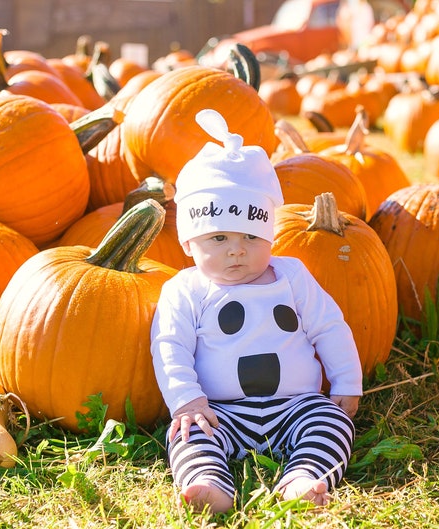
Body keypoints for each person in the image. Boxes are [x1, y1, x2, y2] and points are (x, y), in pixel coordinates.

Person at [150, 108, 363, 514]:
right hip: (220, 412)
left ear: (269, 233)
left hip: (296, 404)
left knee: (331, 423)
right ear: (188, 244)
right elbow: (169, 347)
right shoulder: (185, 289)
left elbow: (329, 327)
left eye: (251, 235)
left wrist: (346, 383)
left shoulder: (291, 274)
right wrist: (187, 402)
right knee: (187, 435)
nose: (237, 249)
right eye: (218, 237)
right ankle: (208, 482)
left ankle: (303, 476)